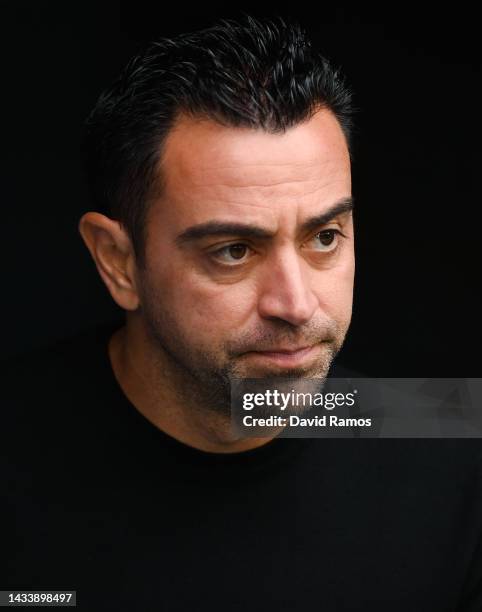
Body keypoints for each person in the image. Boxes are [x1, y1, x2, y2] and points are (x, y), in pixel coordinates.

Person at [2, 15, 481, 611]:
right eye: (233, 251)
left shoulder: (444, 430)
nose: (296, 304)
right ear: (119, 262)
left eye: (325, 237)